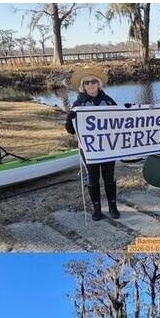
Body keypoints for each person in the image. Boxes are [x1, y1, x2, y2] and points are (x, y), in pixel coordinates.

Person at [65, 65, 119, 221]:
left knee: (109, 178)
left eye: (93, 81)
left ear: (98, 83)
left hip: (108, 147)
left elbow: (120, 122)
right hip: (88, 149)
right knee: (93, 179)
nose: (90, 85)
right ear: (83, 85)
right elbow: (71, 130)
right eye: (87, 82)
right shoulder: (77, 105)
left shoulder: (109, 102)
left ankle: (112, 206)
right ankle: (97, 208)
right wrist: (69, 119)